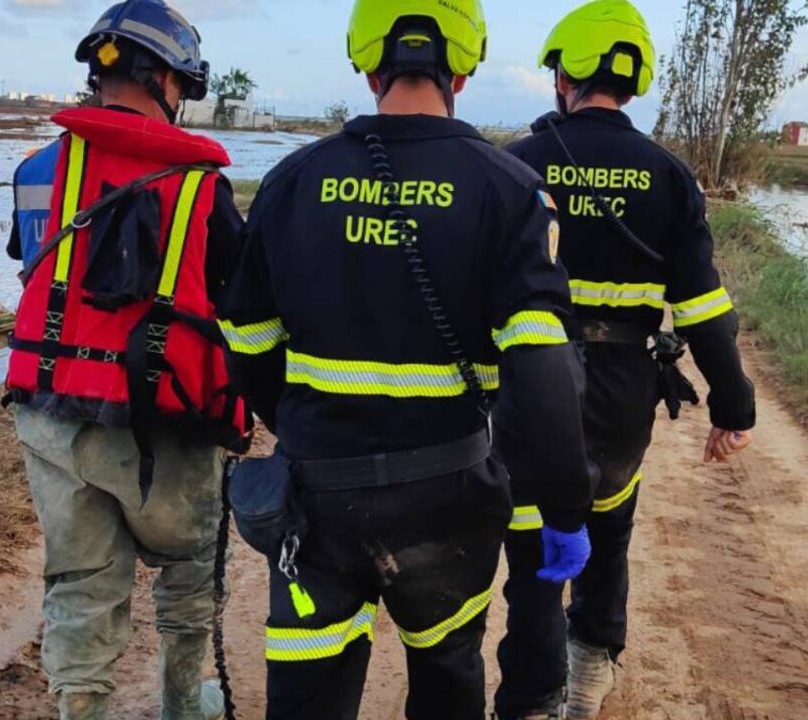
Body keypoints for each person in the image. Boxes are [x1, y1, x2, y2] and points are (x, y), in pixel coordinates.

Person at [224, 1, 595, 718]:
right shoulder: (511, 190)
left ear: (366, 64)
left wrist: (303, 426)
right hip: (449, 503)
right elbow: (544, 375)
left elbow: (247, 344)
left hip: (317, 506)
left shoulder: (293, 182)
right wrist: (567, 510)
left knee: (308, 694)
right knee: (449, 677)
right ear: (465, 64)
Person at [495, 2, 758, 718]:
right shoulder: (669, 176)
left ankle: (528, 698)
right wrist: (733, 406)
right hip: (619, 395)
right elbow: (703, 308)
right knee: (605, 537)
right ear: (635, 83)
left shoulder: (515, 164)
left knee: (533, 558)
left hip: (526, 392)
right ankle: (587, 680)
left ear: (562, 77)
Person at [4, 1, 251, 718]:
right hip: (164, 423)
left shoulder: (35, 169)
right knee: (188, 578)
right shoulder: (204, 186)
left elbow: (31, 259)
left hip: (49, 416)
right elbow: (234, 299)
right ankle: (182, 705)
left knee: (80, 582)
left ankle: (81, 709)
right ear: (173, 82)